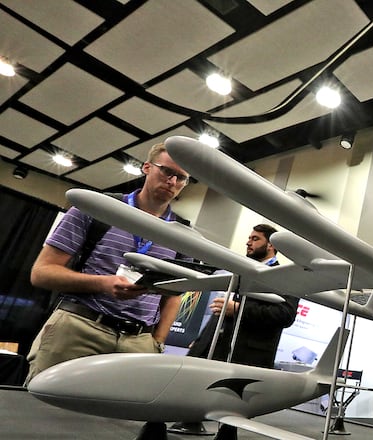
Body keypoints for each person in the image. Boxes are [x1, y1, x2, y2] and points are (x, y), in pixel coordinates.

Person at [25, 142, 192, 439]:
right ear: (147, 167)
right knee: (42, 423)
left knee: (119, 430)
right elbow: (42, 272)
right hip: (79, 328)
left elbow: (174, 293)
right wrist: (103, 283)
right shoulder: (95, 208)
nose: (172, 181)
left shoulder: (182, 233)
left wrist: (157, 342)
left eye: (181, 177)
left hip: (139, 343)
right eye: (167, 171)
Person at [169, 224, 299, 437]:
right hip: (217, 344)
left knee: (232, 401)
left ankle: (226, 433)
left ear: (271, 245)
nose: (248, 242)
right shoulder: (242, 270)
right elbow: (223, 310)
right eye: (249, 237)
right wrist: (202, 340)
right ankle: (190, 421)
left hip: (247, 352)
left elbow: (285, 314)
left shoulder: (287, 277)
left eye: (255, 239)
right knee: (192, 384)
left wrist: (238, 310)